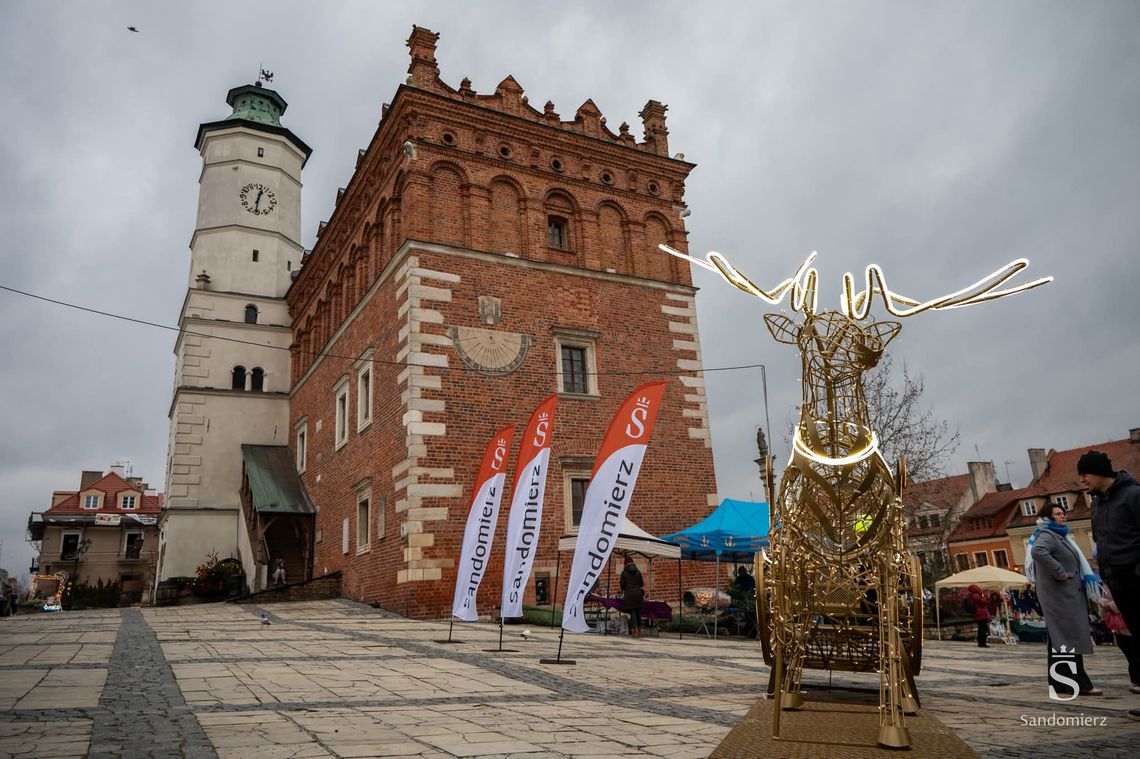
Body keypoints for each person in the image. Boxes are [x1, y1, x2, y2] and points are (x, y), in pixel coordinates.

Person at [1027, 501, 1102, 697]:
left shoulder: (1060, 537)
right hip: (1060, 598)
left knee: (1059, 641)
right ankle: (1080, 682)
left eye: (1063, 513)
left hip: (1063, 597)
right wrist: (1060, 573)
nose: (1063, 516)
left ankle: (1059, 683)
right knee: (1069, 639)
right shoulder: (1048, 536)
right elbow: (1038, 551)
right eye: (1058, 514)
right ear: (1048, 518)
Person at [1098, 585, 1139, 693]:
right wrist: (1104, 606)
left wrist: (1109, 606)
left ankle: (1136, 680)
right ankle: (1135, 680)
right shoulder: (1109, 578)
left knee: (1134, 653)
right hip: (1118, 623)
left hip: (1127, 620)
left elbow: (1128, 597)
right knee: (1129, 652)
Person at [619, 556, 645, 639]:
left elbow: (622, 586)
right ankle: (640, 630)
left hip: (630, 594)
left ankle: (635, 630)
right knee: (638, 612)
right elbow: (641, 584)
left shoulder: (624, 573)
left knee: (633, 612)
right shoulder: (638, 572)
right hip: (638, 594)